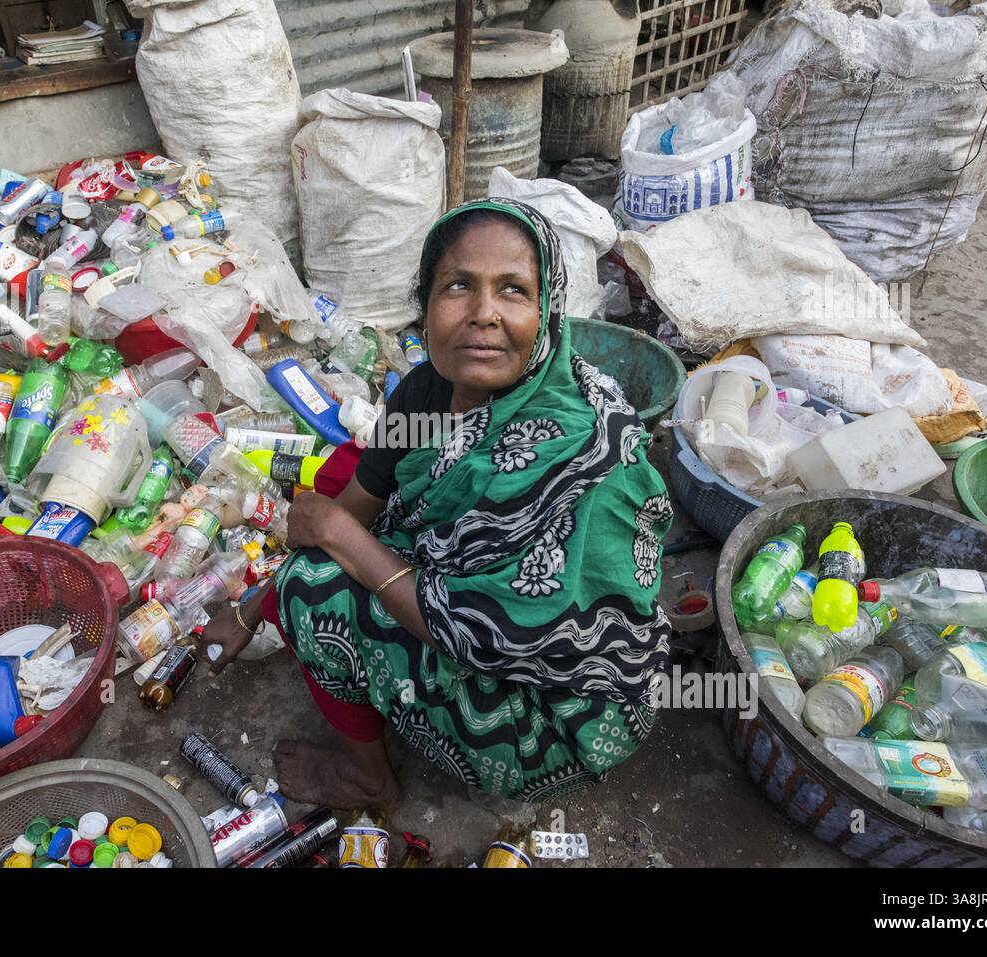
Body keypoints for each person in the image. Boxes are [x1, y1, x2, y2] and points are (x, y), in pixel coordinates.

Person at [200, 198, 673, 808]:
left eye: (513, 291)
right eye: (458, 286)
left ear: (547, 310)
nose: (483, 315)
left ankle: (370, 781)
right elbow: (357, 502)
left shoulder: (587, 454)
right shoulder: (428, 391)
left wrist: (337, 544)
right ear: (424, 305)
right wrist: (250, 608)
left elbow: (480, 633)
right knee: (348, 477)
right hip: (468, 611)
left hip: (558, 718)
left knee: (313, 587)